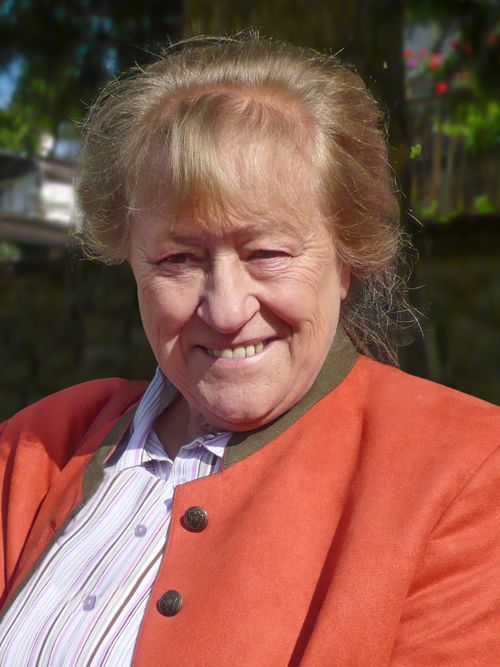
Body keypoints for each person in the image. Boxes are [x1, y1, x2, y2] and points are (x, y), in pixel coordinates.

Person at [0, 35, 498, 666]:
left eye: (267, 253)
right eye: (178, 259)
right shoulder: (39, 447)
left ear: (347, 257)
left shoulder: (464, 473)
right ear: (131, 261)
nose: (226, 310)